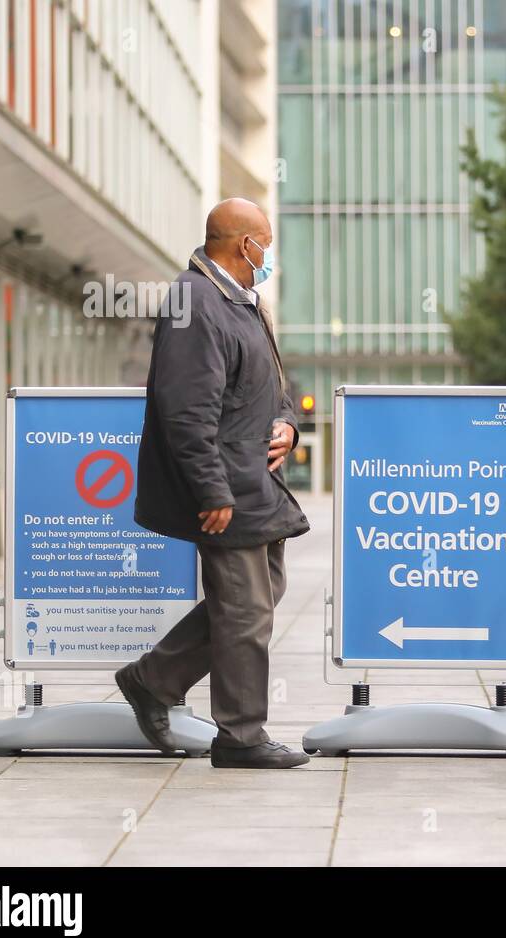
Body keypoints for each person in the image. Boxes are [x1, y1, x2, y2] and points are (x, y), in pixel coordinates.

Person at [115, 198, 311, 769]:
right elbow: (185, 410)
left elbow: (274, 388)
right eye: (265, 244)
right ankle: (241, 738)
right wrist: (212, 491)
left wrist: (289, 426)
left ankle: (153, 679)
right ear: (242, 244)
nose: (268, 255)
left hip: (255, 482)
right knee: (246, 610)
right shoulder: (195, 302)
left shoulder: (241, 303)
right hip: (227, 486)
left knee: (256, 600)